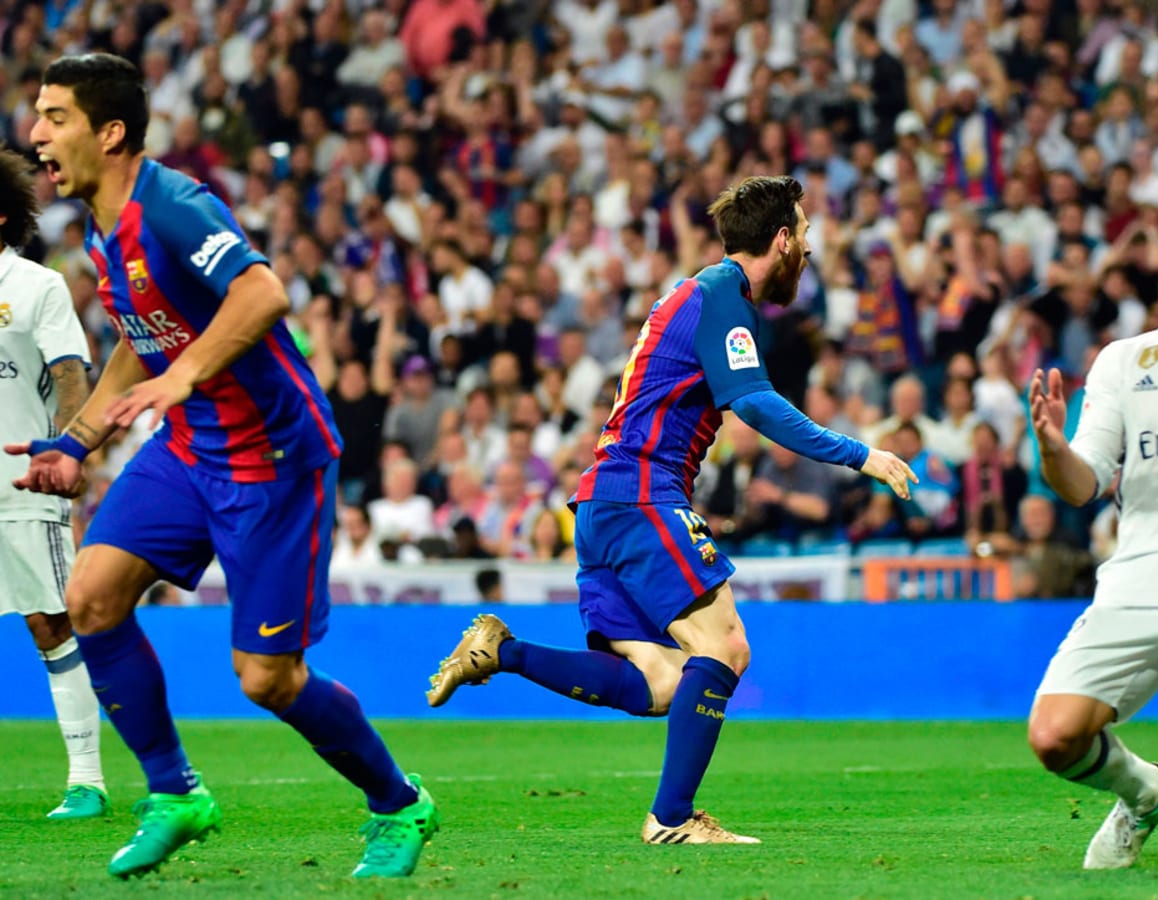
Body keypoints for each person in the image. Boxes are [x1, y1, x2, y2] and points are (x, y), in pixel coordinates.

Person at [6, 54, 436, 880]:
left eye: (55, 116)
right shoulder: (103, 227)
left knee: (268, 680)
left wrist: (186, 376)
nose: (35, 134)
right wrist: (76, 440)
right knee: (90, 598)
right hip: (190, 445)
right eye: (38, 114)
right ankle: (175, 794)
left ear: (111, 131)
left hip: (270, 458)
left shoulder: (172, 206)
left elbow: (262, 294)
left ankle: (398, 802)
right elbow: (143, 342)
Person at [425, 175, 916, 844]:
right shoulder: (722, 298)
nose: (806, 248)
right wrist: (860, 454)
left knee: (660, 683)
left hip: (603, 503)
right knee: (727, 647)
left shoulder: (692, 292)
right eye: (801, 235)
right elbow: (755, 402)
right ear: (780, 240)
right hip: (641, 494)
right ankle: (673, 818)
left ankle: (502, 652)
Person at [1025, 193, 1158, 869]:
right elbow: (1084, 479)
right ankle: (1142, 791)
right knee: (1054, 738)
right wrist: (1050, 448)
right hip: (1141, 572)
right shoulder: (1125, 362)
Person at [0, 146, 109, 820]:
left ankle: (87, 780)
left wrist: (67, 449)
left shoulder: (35, 285)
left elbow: (72, 373)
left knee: (50, 623)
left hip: (20, 483)